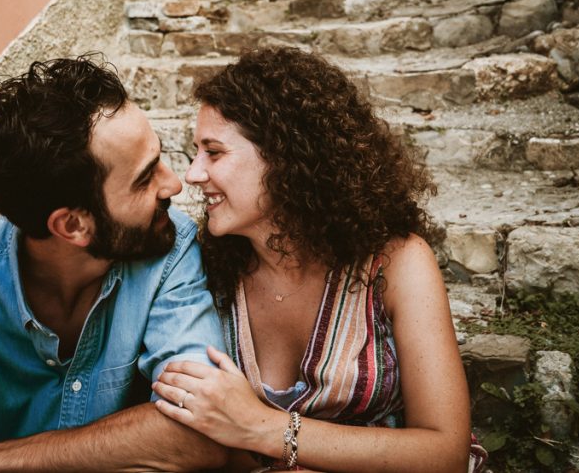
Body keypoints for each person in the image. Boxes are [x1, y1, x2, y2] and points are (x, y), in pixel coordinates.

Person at [0, 55, 228, 472]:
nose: (174, 183)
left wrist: (1, 459)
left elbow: (204, 431)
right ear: (73, 225)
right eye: (145, 176)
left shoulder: (168, 251)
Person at [153, 47, 484, 473]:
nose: (193, 175)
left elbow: (444, 454)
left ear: (285, 159)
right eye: (196, 152)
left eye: (213, 153)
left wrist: (263, 426)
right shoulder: (208, 268)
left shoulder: (396, 264)